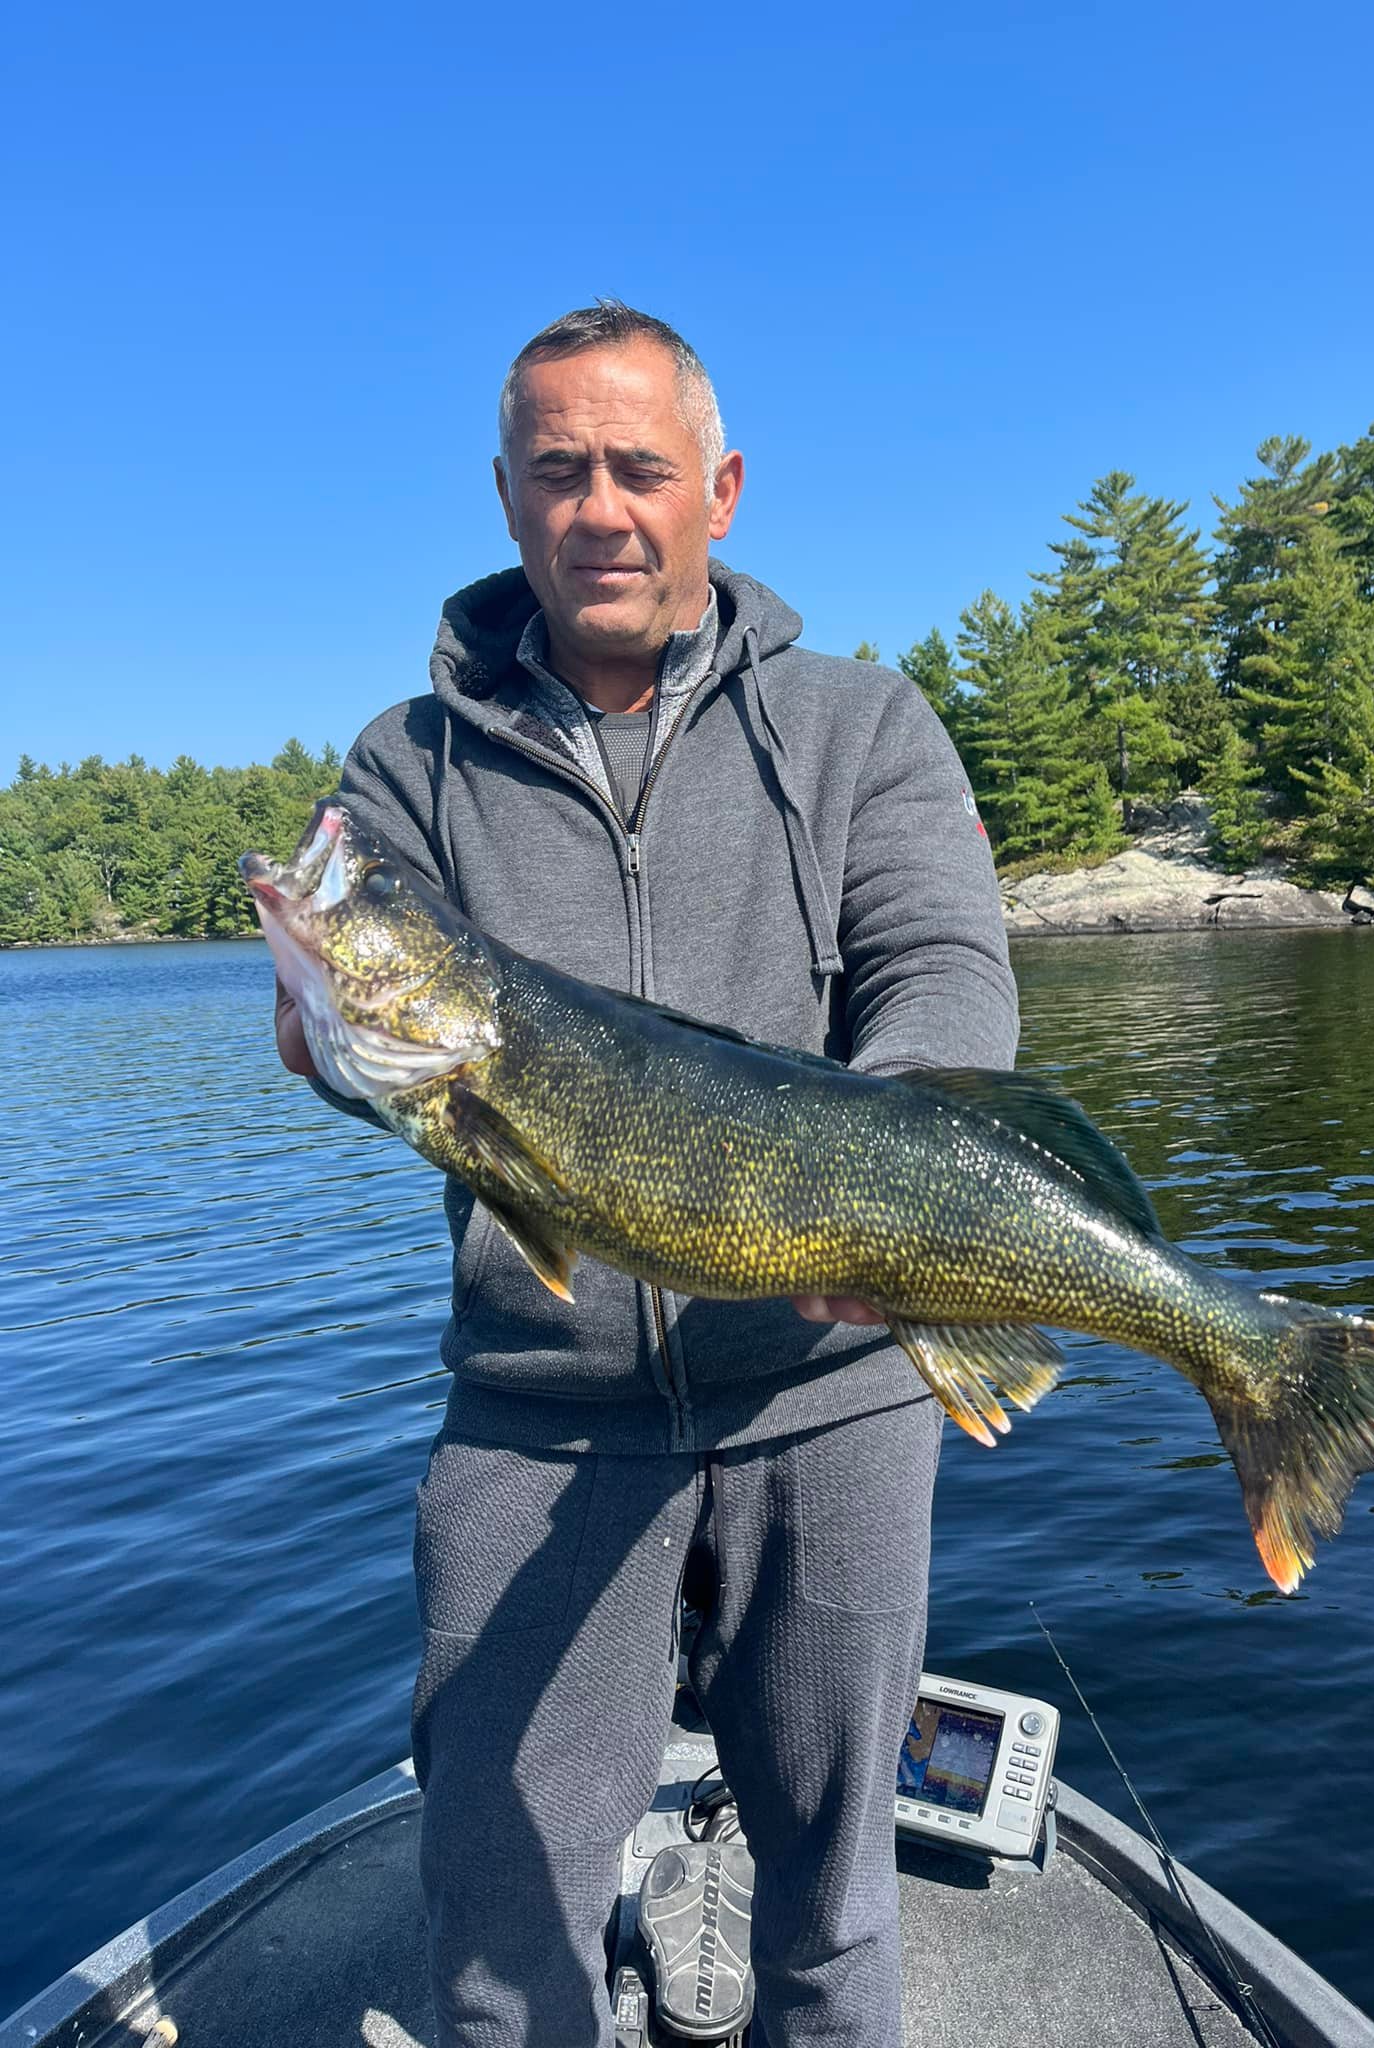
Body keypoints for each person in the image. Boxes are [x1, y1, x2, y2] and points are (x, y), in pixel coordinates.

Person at [273, 301, 1019, 2048]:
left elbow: (942, 970)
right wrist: (335, 1043)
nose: (599, 507)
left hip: (833, 1394)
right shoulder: (405, 764)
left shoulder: (858, 724)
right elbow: (390, 1046)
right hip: (537, 1412)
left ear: (722, 492)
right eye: (557, 472)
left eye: (638, 468)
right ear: (508, 497)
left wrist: (887, 1179)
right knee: (496, 1886)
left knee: (835, 1893)